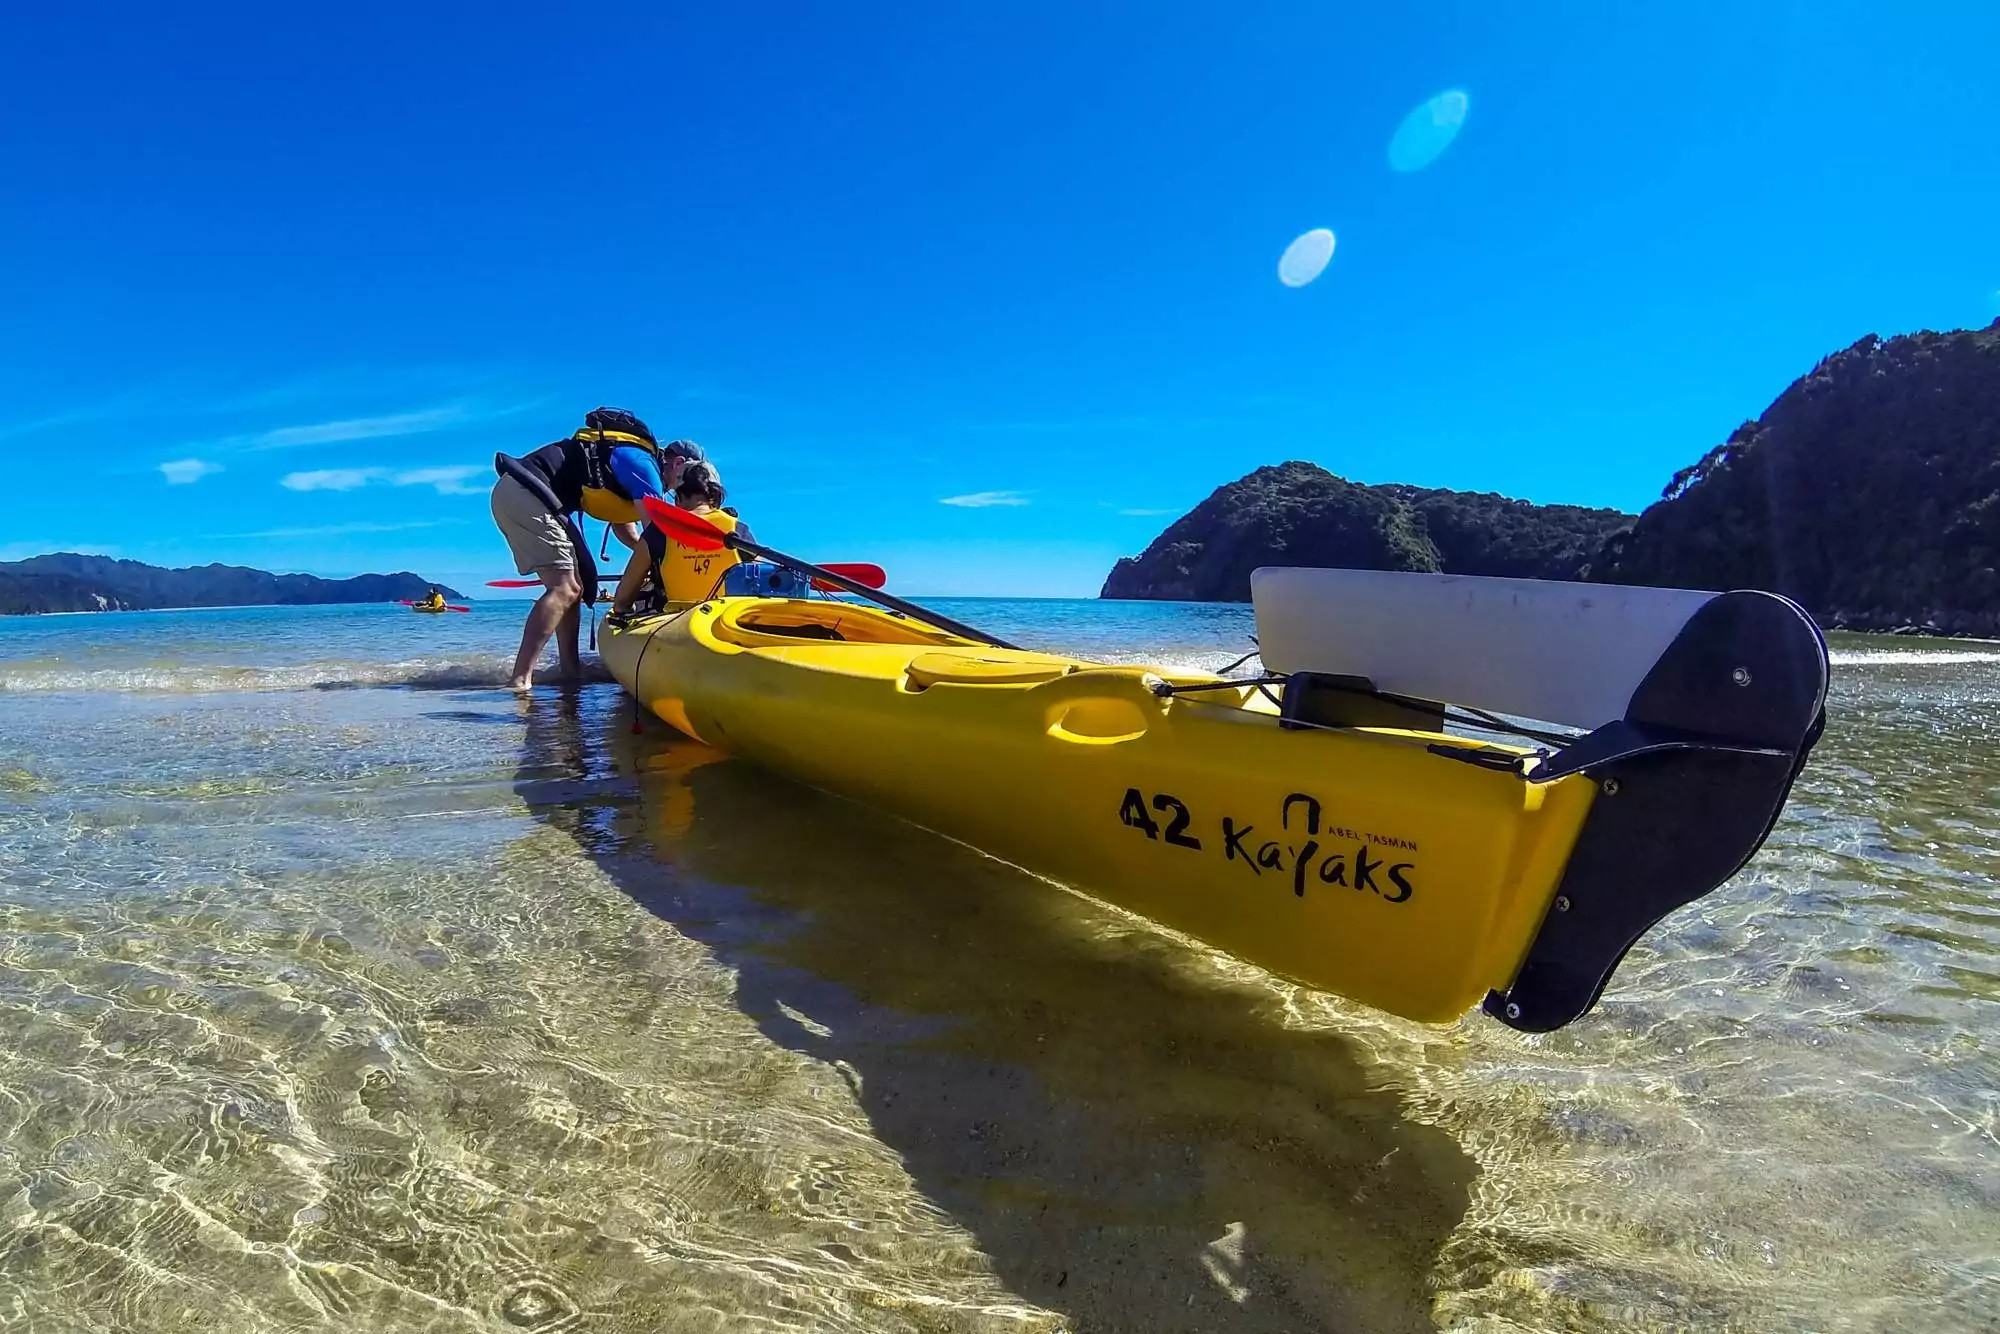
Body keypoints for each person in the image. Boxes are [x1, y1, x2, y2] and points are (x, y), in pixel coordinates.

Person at [490, 407, 705, 689]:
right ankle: (520, 680)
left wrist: (643, 560)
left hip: (521, 493)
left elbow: (626, 529)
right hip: (526, 493)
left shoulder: (634, 462)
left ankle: (570, 671)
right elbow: (657, 536)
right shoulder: (645, 467)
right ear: (678, 463)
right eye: (691, 473)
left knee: (575, 586)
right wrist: (665, 569)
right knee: (564, 588)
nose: (687, 485)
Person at [609, 461, 751, 617]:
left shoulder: (658, 531)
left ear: (679, 495)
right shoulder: (737, 529)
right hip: (726, 622)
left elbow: (622, 602)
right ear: (715, 495)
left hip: (675, 625)